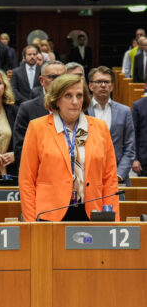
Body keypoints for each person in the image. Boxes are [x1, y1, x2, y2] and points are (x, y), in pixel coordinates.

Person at [19, 74, 119, 222]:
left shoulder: (100, 127)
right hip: (50, 214)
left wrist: (113, 220)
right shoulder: (37, 127)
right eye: (68, 95)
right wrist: (31, 222)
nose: (75, 101)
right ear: (56, 100)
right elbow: (27, 180)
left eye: (79, 95)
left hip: (92, 212)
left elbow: (110, 179)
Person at [87, 66, 136, 184]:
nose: (103, 85)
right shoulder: (82, 110)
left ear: (112, 86)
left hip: (118, 177)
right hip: (89, 177)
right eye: (99, 82)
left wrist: (119, 175)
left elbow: (130, 147)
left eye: (107, 82)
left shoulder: (124, 111)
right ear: (90, 86)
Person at [13, 60, 66, 163]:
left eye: (62, 77)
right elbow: (21, 150)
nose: (59, 81)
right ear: (42, 81)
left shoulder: (76, 107)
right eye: (53, 77)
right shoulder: (27, 108)